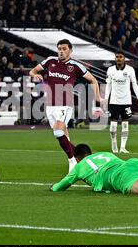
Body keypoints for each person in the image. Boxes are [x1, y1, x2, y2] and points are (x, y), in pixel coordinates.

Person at [29, 39, 103, 172]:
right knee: (63, 137)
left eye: (64, 49)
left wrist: (97, 97)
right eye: (59, 49)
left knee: (58, 131)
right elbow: (32, 71)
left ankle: (72, 163)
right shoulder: (50, 61)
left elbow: (93, 79)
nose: (61, 51)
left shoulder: (75, 66)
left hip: (65, 105)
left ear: (70, 50)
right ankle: (87, 162)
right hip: (50, 105)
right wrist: (35, 75)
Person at [104, 51, 138, 154]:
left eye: (121, 57)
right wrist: (106, 98)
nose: (119, 59)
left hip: (126, 101)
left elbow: (134, 84)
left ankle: (123, 147)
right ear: (115, 58)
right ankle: (114, 143)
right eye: (117, 57)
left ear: (124, 58)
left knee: (125, 124)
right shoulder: (110, 70)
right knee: (113, 125)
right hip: (114, 101)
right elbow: (108, 85)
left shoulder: (130, 70)